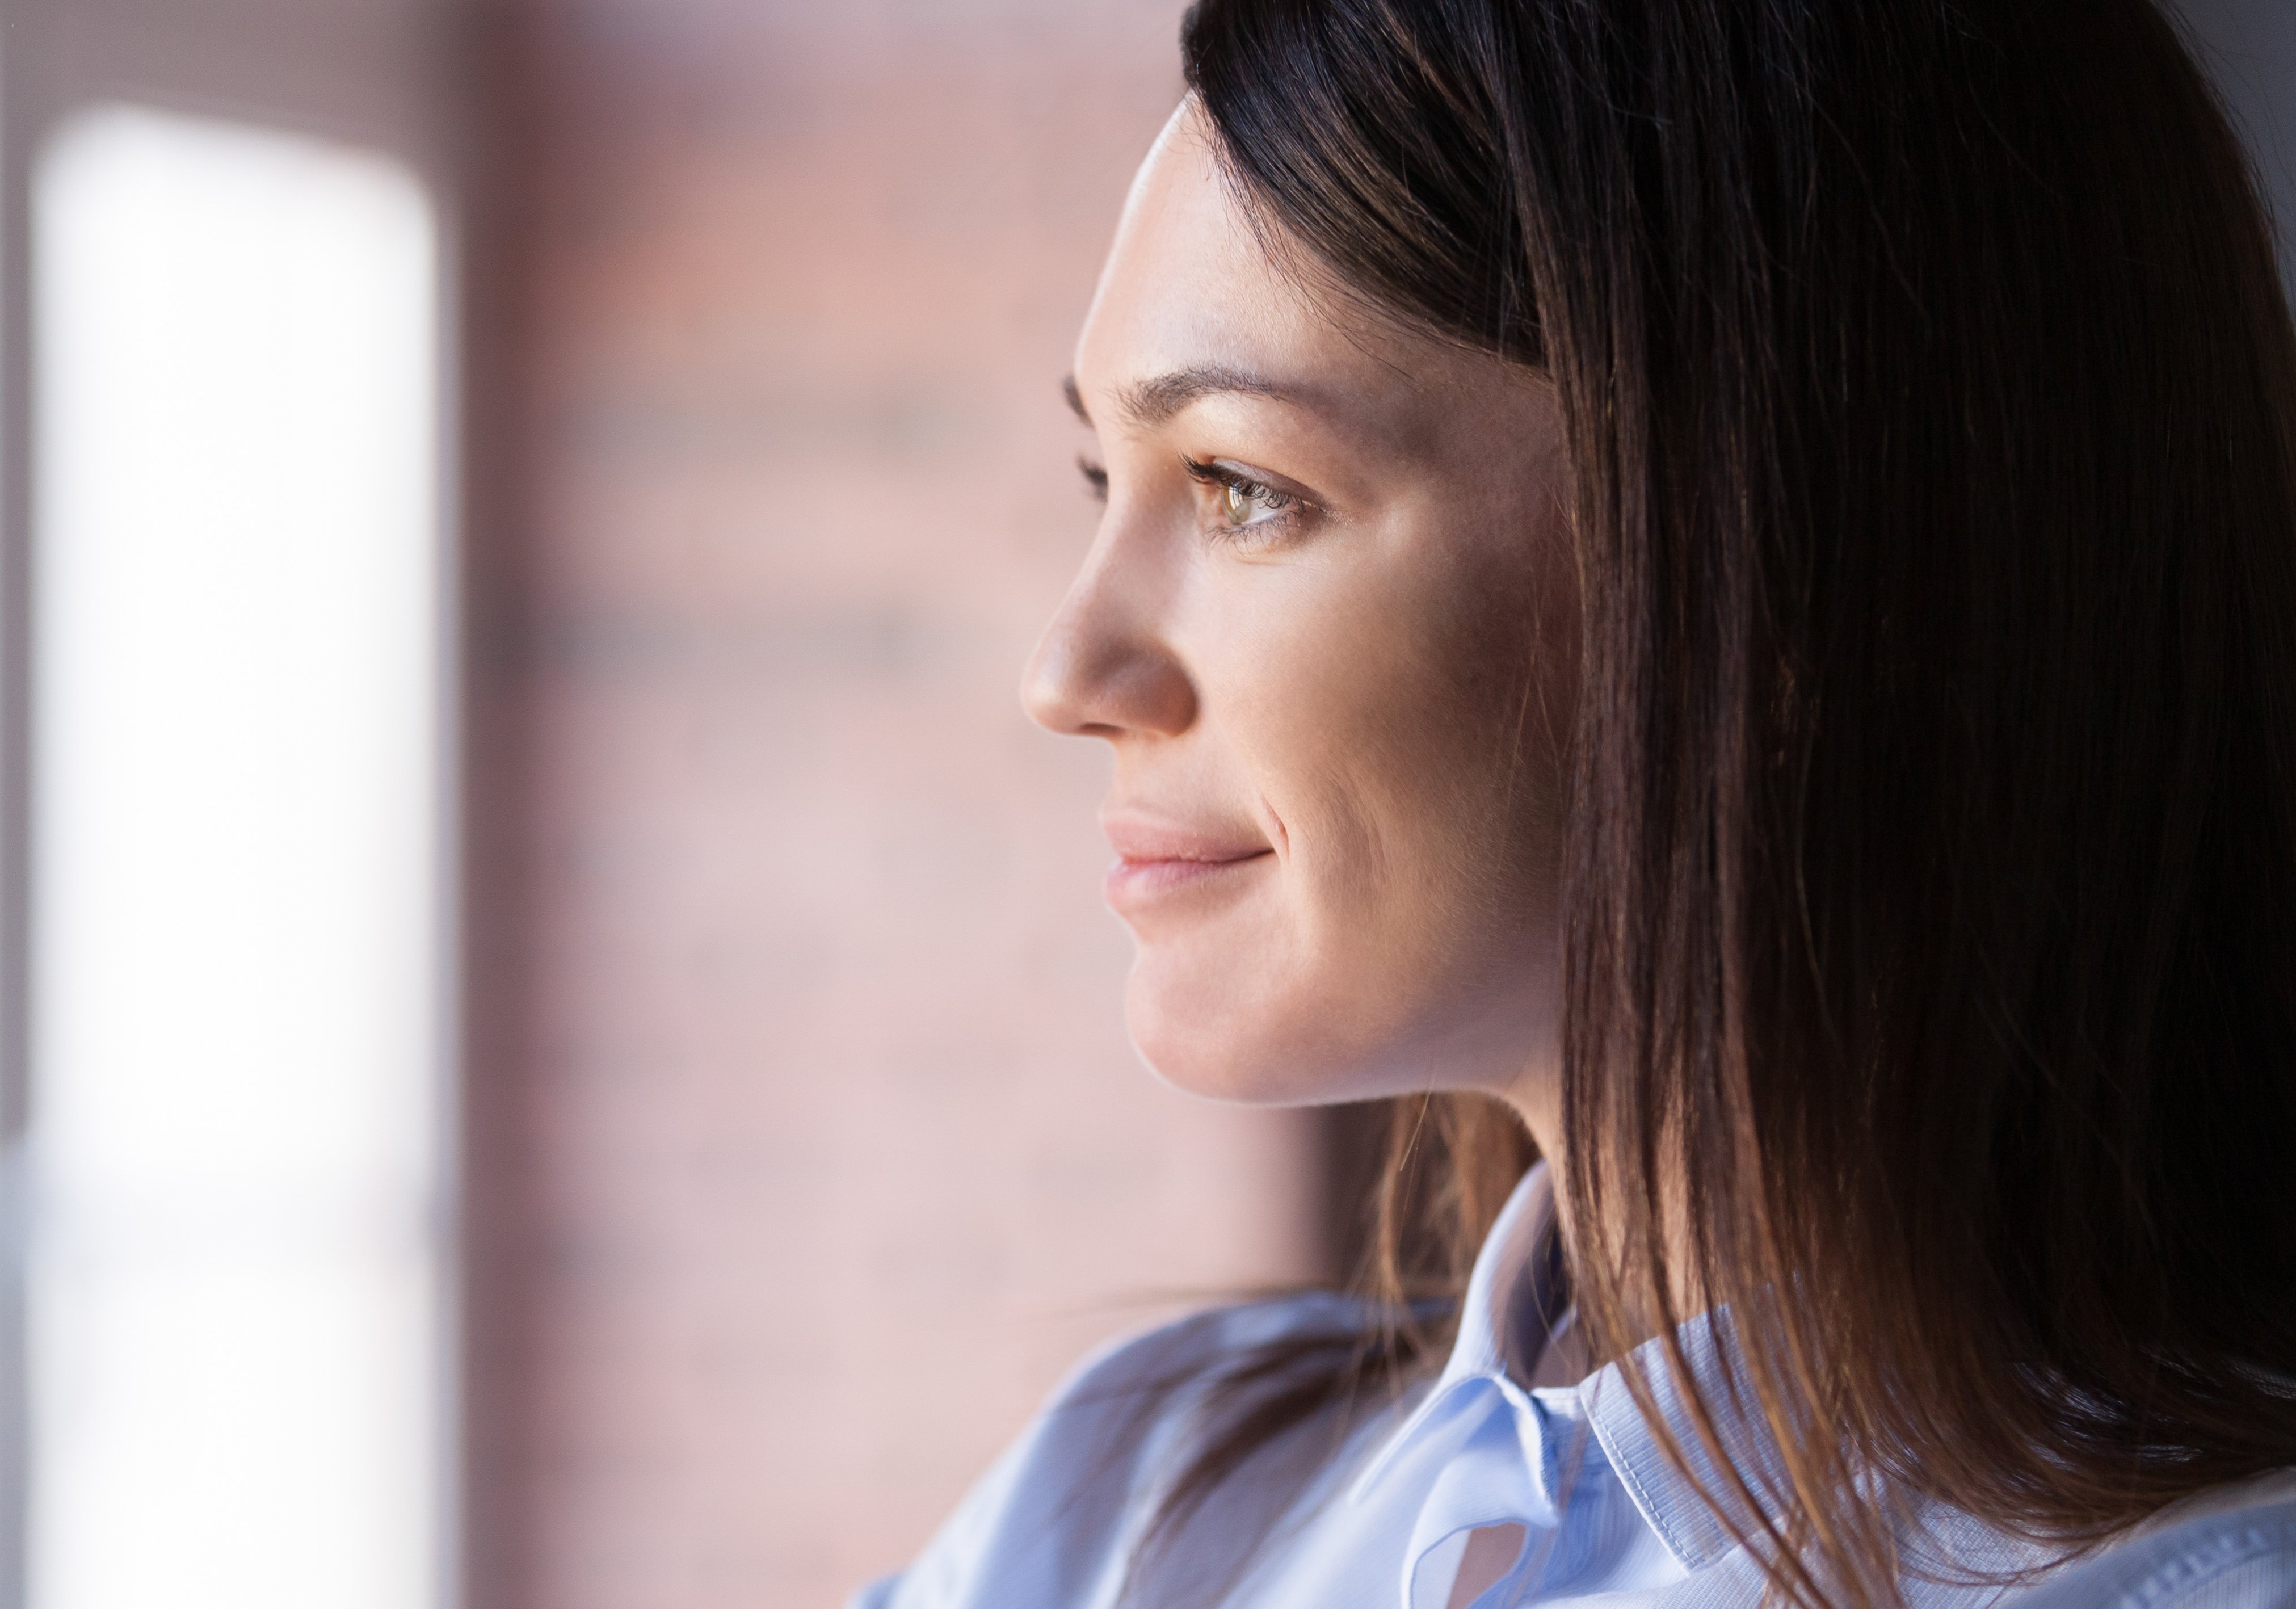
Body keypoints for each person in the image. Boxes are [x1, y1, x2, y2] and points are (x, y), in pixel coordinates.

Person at [854, 0, 2296, 1605]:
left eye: (1246, 486)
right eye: (1099, 483)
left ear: (1791, 560)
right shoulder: (1132, 1507)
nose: (1069, 669)